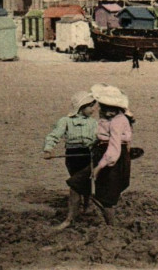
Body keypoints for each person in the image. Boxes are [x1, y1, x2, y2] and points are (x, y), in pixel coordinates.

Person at [66, 84, 134, 226]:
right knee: (76, 183)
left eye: (108, 108)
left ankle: (112, 227)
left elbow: (114, 149)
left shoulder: (117, 122)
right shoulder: (111, 118)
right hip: (101, 154)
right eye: (102, 107)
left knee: (106, 197)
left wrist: (98, 168)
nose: (102, 111)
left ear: (117, 108)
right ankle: (70, 219)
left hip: (111, 159)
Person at [43, 90, 98, 230]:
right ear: (81, 106)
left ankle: (83, 208)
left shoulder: (93, 123)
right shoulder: (65, 121)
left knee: (81, 183)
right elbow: (54, 135)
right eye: (90, 106)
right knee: (76, 181)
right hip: (72, 156)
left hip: (87, 155)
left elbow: (99, 139)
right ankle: (77, 212)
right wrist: (48, 149)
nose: (94, 109)